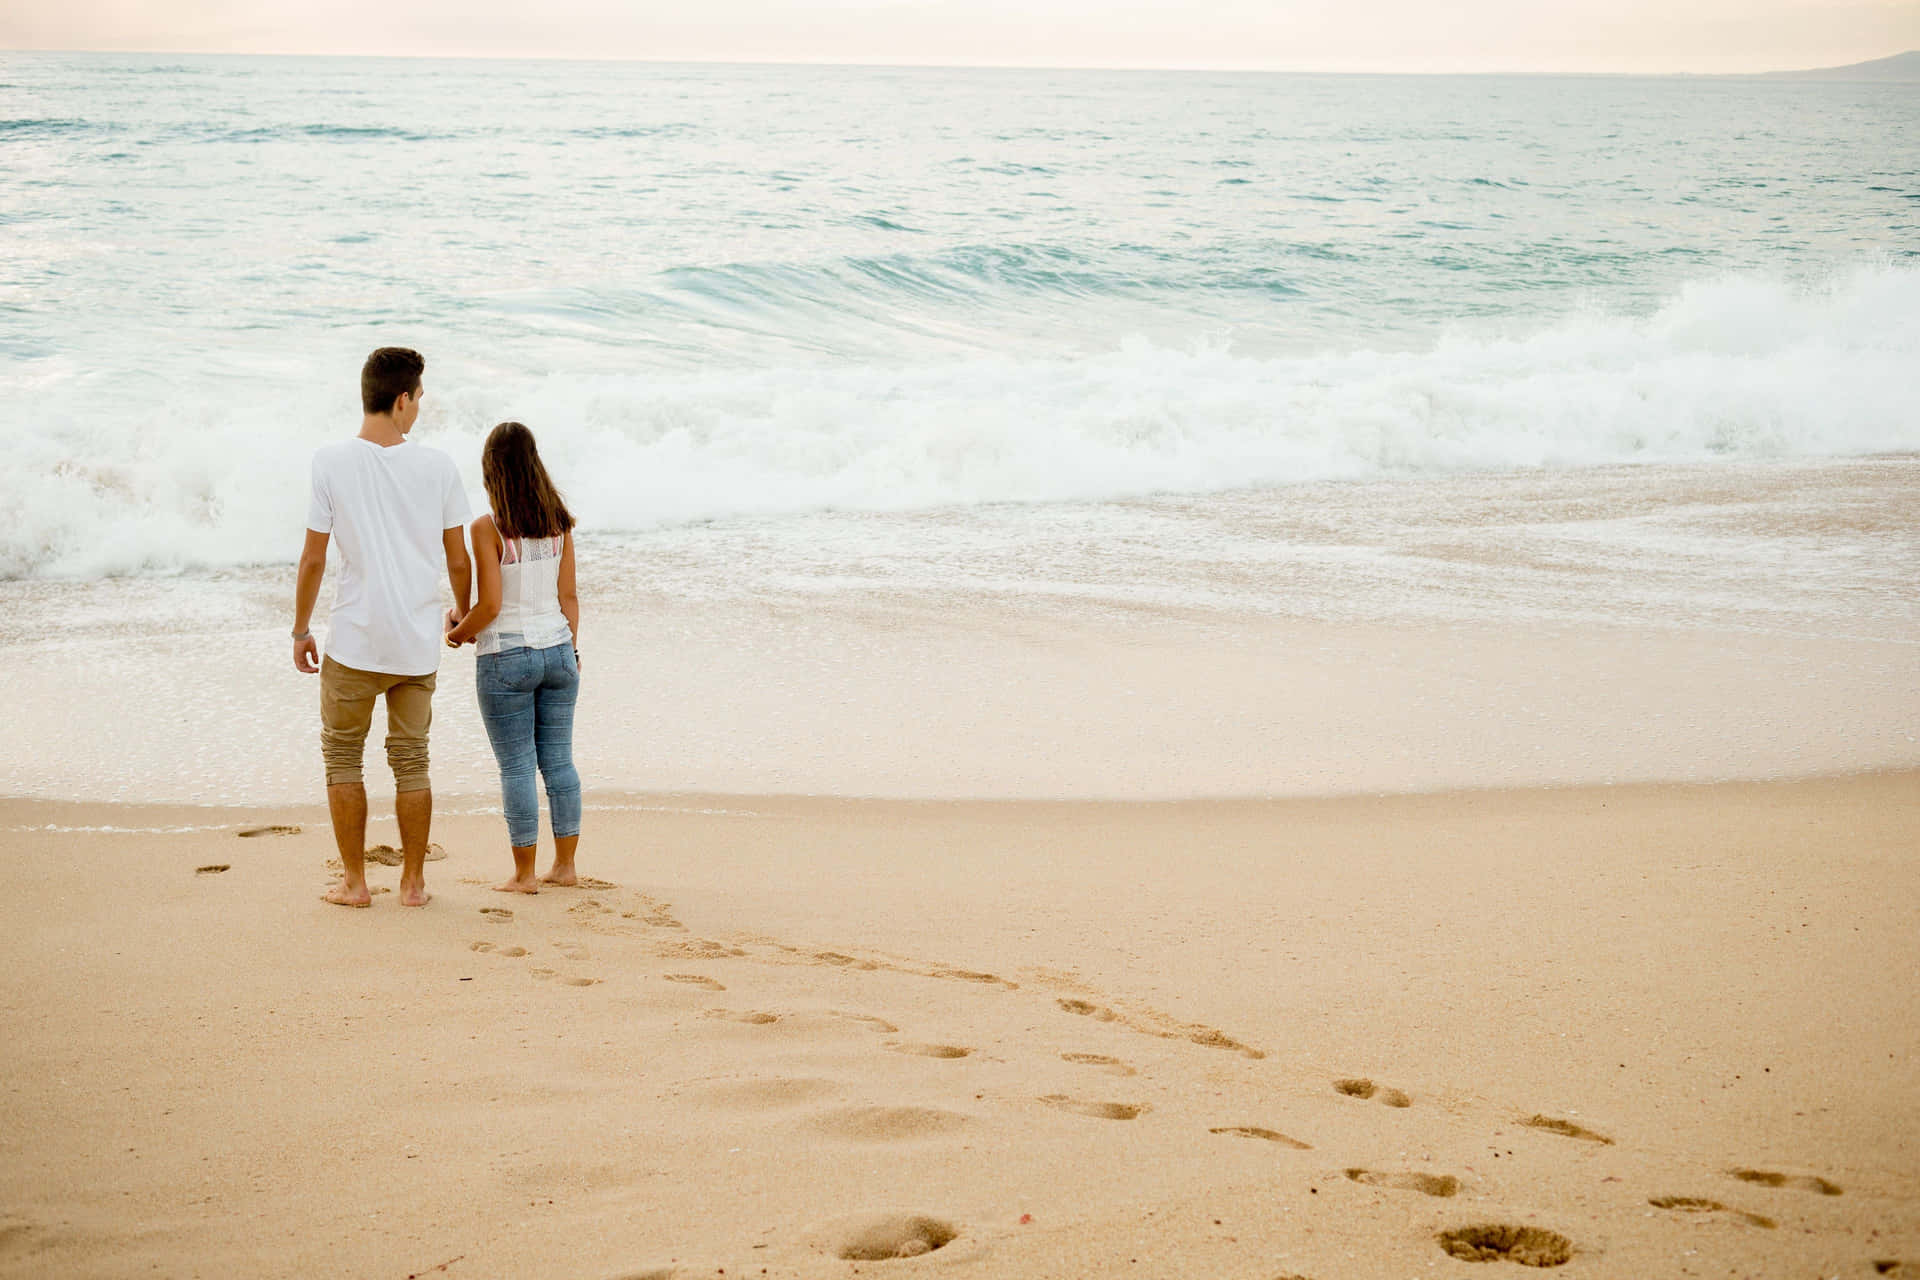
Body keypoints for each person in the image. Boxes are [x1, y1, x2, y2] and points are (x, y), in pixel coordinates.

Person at [293, 347, 472, 908]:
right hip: (416, 646)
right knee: (412, 759)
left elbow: (314, 560)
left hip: (355, 640)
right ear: (402, 399)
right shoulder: (438, 466)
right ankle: (414, 884)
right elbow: (458, 558)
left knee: (343, 757)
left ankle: (355, 883)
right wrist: (461, 615)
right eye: (418, 399)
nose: (418, 409)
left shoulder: (329, 460)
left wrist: (300, 631)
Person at [443, 422, 583, 892]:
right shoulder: (559, 522)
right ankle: (564, 867)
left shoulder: (489, 529)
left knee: (519, 767)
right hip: (560, 652)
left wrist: (458, 634)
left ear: (491, 473)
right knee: (559, 763)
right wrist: (572, 650)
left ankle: (524, 874)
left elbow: (490, 607)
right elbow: (569, 597)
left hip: (507, 656)